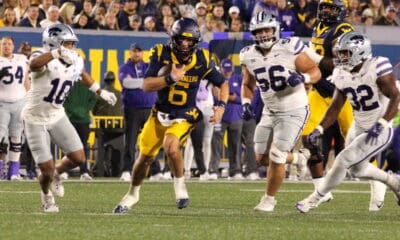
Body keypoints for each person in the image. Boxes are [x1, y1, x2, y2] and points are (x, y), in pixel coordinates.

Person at [113, 17, 229, 213]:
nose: (184, 44)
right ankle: (132, 194)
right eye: (180, 40)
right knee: (144, 159)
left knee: (171, 146)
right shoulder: (161, 53)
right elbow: (147, 85)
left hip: (186, 113)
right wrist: (171, 78)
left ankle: (180, 185)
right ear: (173, 39)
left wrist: (221, 106)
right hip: (160, 113)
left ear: (195, 42)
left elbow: (222, 83)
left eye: (189, 40)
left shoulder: (203, 58)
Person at [295, 31, 400, 213]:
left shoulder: (377, 66)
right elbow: (335, 106)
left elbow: (395, 96)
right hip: (358, 126)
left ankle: (315, 198)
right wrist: (319, 129)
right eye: (340, 52)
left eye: (345, 53)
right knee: (356, 170)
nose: (340, 56)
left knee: (343, 159)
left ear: (359, 52)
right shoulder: (341, 72)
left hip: (379, 128)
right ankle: (393, 182)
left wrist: (383, 123)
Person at [22, 23, 116, 213]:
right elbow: (34, 64)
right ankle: (47, 196)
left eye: (73, 44)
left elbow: (80, 75)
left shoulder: (74, 60)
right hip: (35, 118)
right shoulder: (41, 56)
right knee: (46, 169)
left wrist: (100, 91)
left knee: (78, 157)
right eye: (68, 43)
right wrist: (56, 53)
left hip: (56, 114)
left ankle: (57, 173)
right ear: (55, 43)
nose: (72, 48)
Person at [240, 11, 321, 212]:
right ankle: (300, 158)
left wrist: (304, 79)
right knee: (260, 159)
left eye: (267, 29)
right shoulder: (248, 54)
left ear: (275, 29)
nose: (264, 34)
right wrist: (245, 102)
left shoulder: (289, 47)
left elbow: (315, 72)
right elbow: (247, 84)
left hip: (294, 108)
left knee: (277, 155)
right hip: (270, 110)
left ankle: (268, 200)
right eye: (259, 31)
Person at [301, 0, 355, 203]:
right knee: (307, 137)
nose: (326, 11)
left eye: (331, 8)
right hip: (319, 90)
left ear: (340, 10)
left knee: (355, 140)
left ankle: (378, 185)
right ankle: (321, 189)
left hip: (341, 92)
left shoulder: (344, 29)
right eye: (324, 7)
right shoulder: (318, 25)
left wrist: (313, 57)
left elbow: (342, 62)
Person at [118, 43, 157, 182]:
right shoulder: (124, 67)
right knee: (130, 141)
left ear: (143, 53)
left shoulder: (148, 67)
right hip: (132, 109)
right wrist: (146, 82)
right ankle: (126, 170)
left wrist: (141, 82)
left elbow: (156, 81)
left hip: (148, 108)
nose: (136, 54)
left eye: (139, 51)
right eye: (134, 51)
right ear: (130, 53)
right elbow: (127, 83)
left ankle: (155, 171)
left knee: (151, 141)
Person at [0, 36, 30, 180]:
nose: (6, 46)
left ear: (13, 46)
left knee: (17, 137)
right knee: (1, 139)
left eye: (9, 43)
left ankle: (14, 171)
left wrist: (30, 99)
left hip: (20, 102)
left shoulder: (22, 59)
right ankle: (0, 169)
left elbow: (26, 81)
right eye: (4, 44)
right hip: (2, 103)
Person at [63, 80, 98, 181]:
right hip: (81, 119)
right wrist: (85, 110)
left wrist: (71, 111)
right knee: (80, 146)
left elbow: (63, 99)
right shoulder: (86, 83)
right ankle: (81, 172)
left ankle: (77, 171)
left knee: (72, 146)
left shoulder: (69, 82)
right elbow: (93, 98)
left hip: (72, 119)